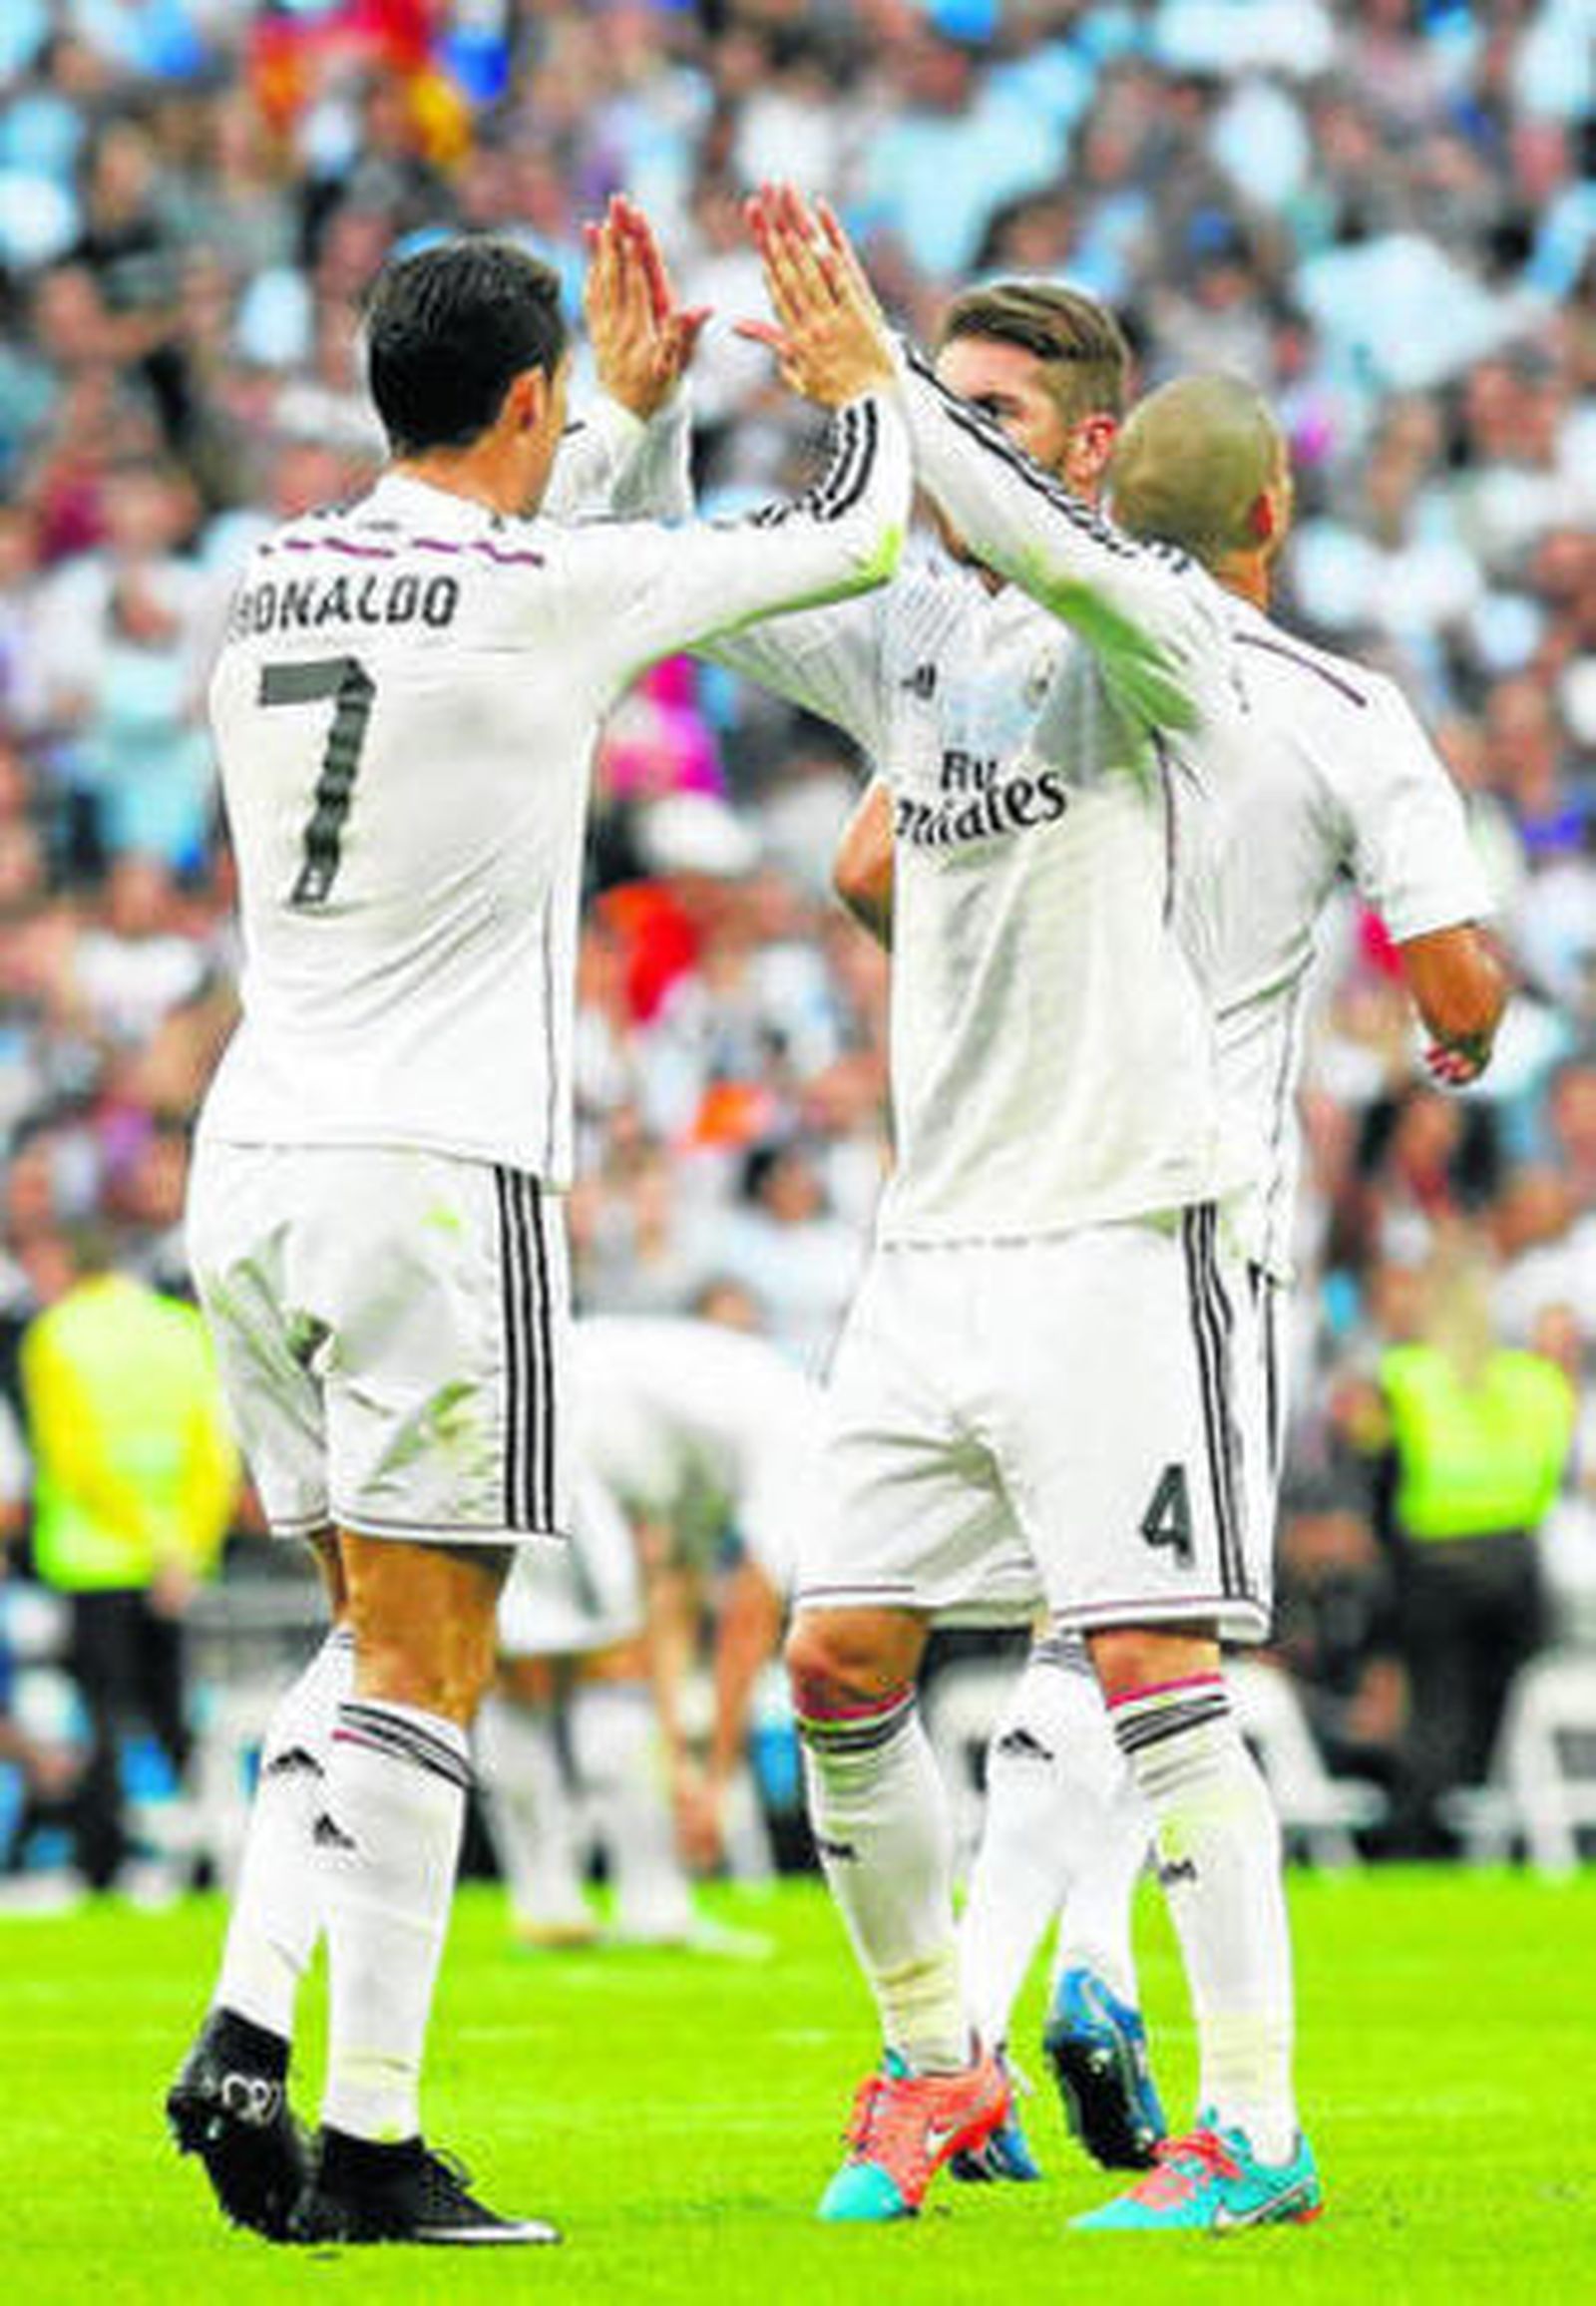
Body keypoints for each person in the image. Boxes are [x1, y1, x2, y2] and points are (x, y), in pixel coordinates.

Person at [164, 213, 910, 2249]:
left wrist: (618, 427)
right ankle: (375, 2134)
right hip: (433, 1168)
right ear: (524, 398)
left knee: (364, 1636)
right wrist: (854, 385)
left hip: (254, 1158)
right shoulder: (539, 590)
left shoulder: (268, 575)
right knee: (432, 1653)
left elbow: (497, 594)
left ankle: (250, 2023)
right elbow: (843, 543)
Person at [663, 188, 1318, 2234]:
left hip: (1111, 1233)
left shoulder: (1148, 617)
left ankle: (1255, 2124)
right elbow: (707, 594)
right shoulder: (924, 632)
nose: (956, 433)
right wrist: (640, 428)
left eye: (995, 409)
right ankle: (937, 2065)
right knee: (836, 1666)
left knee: (1147, 1667)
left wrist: (879, 395)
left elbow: (1029, 541)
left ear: (1093, 446)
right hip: (929, 1246)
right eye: (943, 398)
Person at [953, 372, 1506, 2186]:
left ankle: (996, 2016)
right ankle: (1175, 2053)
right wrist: (1452, 1042)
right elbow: (1458, 985)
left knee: (1087, 1625)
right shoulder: (1339, 707)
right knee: (1159, 1641)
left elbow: (878, 861)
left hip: (1006, 1206)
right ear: (1274, 514)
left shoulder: (1041, 665)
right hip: (1200, 1224)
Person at [482, 1310, 817, 1946]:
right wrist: (717, 1779)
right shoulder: (807, 1451)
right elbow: (750, 1619)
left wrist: (683, 1761)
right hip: (550, 1423)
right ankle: (639, 1904)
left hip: (536, 1411)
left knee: (529, 1661)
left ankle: (560, 1899)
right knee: (590, 1664)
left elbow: (674, 1598)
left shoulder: (742, 1438)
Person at [18, 1227, 238, 1892]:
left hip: (94, 1557)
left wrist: (143, 1540)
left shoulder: (56, 1335)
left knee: (105, 1709)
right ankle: (205, 1850)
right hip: (178, 1561)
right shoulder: (181, 1329)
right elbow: (213, 1451)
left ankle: (108, 1854)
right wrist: (184, 1549)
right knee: (176, 1712)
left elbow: (75, 1458)